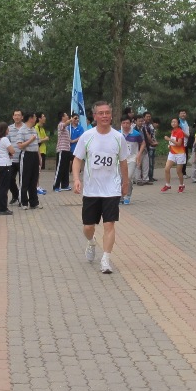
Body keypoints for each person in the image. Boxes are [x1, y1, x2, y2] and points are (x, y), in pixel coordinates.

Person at [72, 101, 131, 274]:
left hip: (111, 188)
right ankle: (91, 242)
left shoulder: (118, 137)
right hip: (91, 189)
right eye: (101, 113)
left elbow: (123, 162)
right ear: (95, 116)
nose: (105, 116)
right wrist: (76, 179)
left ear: (111, 115)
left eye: (107, 113)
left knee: (109, 224)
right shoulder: (87, 136)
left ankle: (106, 259)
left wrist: (125, 183)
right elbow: (77, 159)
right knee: (88, 227)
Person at [15, 112, 40, 209]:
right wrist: (30, 140)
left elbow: (37, 144)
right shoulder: (22, 130)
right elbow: (20, 145)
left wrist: (39, 157)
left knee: (34, 179)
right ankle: (23, 202)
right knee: (25, 179)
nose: (36, 119)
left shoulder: (34, 130)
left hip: (34, 155)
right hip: (26, 155)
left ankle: (34, 202)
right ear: (30, 118)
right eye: (35, 117)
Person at [119, 116, 144, 205]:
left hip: (132, 158)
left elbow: (143, 143)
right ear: (121, 124)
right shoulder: (118, 134)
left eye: (127, 123)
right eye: (124, 123)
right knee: (120, 178)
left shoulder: (136, 134)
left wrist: (139, 154)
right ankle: (120, 196)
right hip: (120, 159)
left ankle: (127, 195)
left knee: (128, 177)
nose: (125, 125)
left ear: (131, 124)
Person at [0, 122, 16, 216]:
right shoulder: (5, 139)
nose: (8, 130)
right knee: (4, 188)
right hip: (5, 164)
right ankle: (3, 208)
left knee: (0, 186)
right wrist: (10, 152)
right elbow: (12, 150)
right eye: (7, 129)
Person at [160, 118, 186, 192]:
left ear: (178, 123)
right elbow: (173, 142)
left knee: (178, 171)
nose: (173, 123)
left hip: (180, 154)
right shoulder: (173, 131)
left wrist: (169, 139)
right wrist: (170, 145)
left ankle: (181, 185)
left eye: (175, 122)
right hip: (172, 153)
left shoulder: (180, 132)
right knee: (167, 168)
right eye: (172, 122)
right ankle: (167, 185)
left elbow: (179, 144)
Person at [7, 110, 24, 204]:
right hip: (12, 159)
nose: (17, 117)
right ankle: (15, 195)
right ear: (13, 117)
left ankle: (22, 198)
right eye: (15, 115)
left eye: (19, 115)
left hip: (23, 158)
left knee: (23, 180)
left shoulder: (26, 128)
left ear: (22, 117)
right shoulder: (9, 128)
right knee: (9, 179)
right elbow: (6, 142)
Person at [53, 112, 72, 191]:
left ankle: (65, 185)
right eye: (66, 115)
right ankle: (56, 186)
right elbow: (65, 124)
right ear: (62, 117)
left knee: (66, 168)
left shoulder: (67, 129)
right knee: (60, 168)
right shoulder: (60, 124)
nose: (67, 116)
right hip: (61, 150)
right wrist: (71, 120)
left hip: (67, 150)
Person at [35, 112, 49, 195]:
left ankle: (38, 186)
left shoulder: (42, 128)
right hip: (38, 151)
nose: (45, 118)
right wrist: (45, 139)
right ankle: (36, 187)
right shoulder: (36, 128)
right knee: (37, 170)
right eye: (43, 116)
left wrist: (44, 138)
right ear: (39, 118)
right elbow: (38, 140)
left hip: (43, 151)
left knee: (39, 170)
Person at [141, 112, 157, 182]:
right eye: (147, 116)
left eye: (149, 116)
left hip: (153, 145)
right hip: (148, 146)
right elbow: (147, 136)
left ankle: (151, 176)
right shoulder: (143, 126)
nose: (148, 118)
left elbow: (153, 135)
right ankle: (148, 177)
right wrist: (152, 143)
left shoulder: (150, 125)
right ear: (144, 117)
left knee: (152, 162)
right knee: (149, 162)